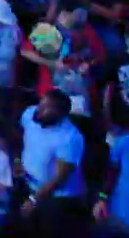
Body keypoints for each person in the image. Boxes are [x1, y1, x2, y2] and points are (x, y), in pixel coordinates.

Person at [16, 88, 89, 231]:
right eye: (41, 104)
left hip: (57, 197)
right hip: (28, 184)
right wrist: (17, 161)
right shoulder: (30, 113)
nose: (39, 110)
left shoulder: (70, 138)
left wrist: (33, 200)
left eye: (45, 109)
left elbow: (60, 178)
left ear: (59, 115)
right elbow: (20, 136)